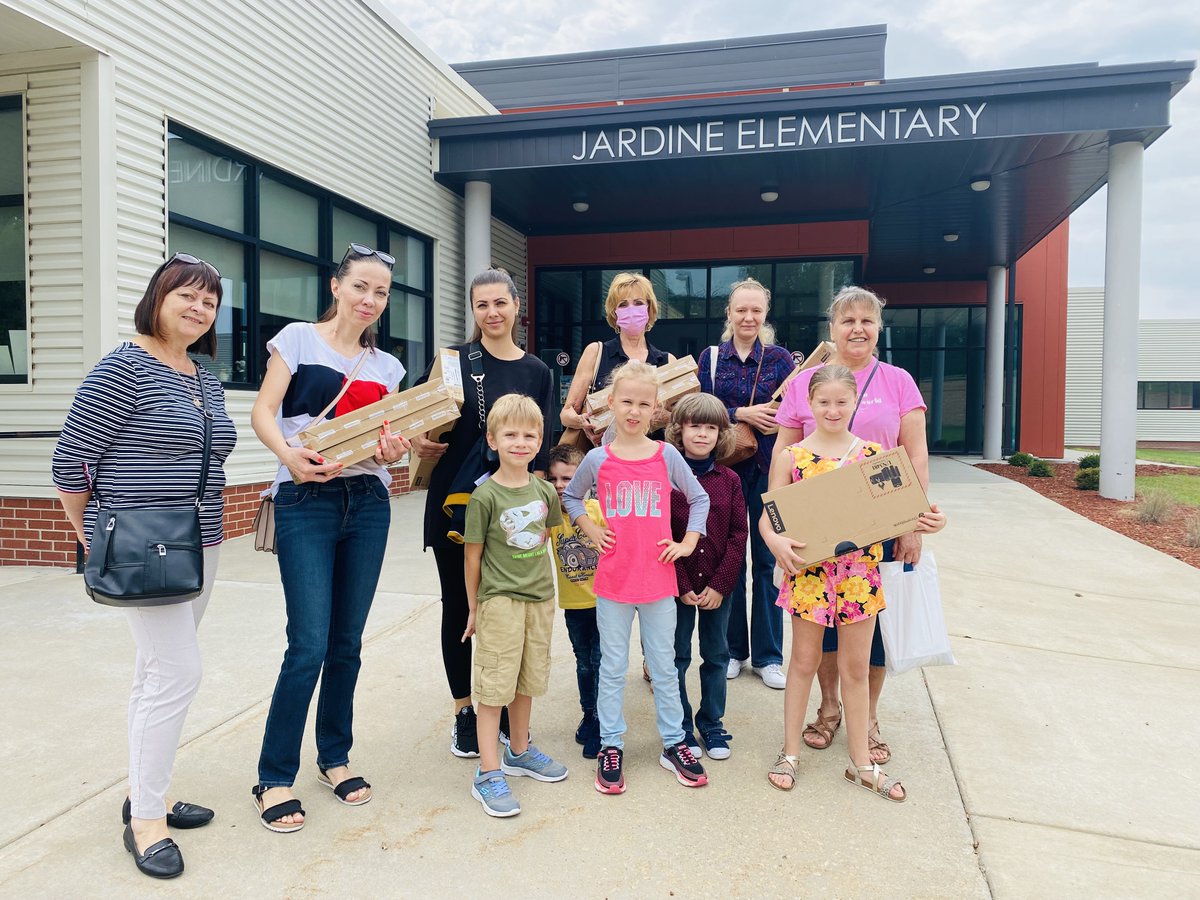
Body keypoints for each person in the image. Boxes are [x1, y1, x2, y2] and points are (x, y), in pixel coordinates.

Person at [52, 253, 236, 879]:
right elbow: (70, 463)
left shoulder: (202, 374)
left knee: (154, 673)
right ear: (156, 298)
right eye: (186, 294)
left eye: (209, 301)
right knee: (177, 672)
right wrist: (95, 541)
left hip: (201, 542)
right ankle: (146, 820)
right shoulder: (123, 368)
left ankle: (143, 789)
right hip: (142, 546)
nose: (198, 307)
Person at [250, 243, 410, 833]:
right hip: (305, 501)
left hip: (367, 501)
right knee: (308, 644)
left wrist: (395, 451)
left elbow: (391, 442)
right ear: (337, 286)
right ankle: (273, 776)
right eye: (361, 287)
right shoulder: (296, 340)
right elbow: (265, 410)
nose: (370, 300)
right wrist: (289, 455)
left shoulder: (387, 369)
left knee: (347, 644)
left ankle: (334, 757)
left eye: (382, 293)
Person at [761, 365, 945, 799]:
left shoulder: (872, 457)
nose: (832, 409)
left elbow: (909, 511)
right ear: (809, 404)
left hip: (859, 577)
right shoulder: (792, 457)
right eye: (823, 402)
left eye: (842, 401)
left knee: (856, 669)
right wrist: (775, 543)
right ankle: (790, 753)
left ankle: (861, 762)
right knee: (803, 663)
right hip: (808, 576)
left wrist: (933, 521)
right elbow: (770, 517)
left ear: (854, 403)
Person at [773, 285, 930, 764]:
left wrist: (913, 523)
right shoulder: (805, 382)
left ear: (879, 326)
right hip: (819, 531)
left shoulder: (898, 380)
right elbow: (785, 451)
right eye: (847, 320)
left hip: (877, 526)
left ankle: (871, 718)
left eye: (867, 320)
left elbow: (916, 452)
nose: (857, 328)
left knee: (869, 628)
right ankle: (827, 708)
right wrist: (781, 530)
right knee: (819, 627)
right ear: (832, 328)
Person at [410, 268, 555, 759]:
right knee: (460, 607)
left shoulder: (537, 371)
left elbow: (545, 443)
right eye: (481, 305)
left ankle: (512, 720)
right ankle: (464, 711)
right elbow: (415, 417)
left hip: (515, 509)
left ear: (517, 306)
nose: (491, 313)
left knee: (510, 611)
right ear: (473, 312)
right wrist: (417, 442)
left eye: (500, 303)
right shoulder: (453, 361)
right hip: (457, 502)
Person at [561, 360, 711, 795]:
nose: (633, 410)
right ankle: (611, 744)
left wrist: (687, 543)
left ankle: (674, 742)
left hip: (658, 581)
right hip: (613, 582)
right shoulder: (597, 458)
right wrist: (590, 529)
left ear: (656, 410)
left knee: (664, 667)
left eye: (644, 403)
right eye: (626, 401)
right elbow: (572, 496)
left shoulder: (666, 455)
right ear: (611, 403)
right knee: (612, 667)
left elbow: (698, 499)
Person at [461, 394, 570, 817]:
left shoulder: (545, 490)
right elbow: (473, 556)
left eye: (529, 434)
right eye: (510, 434)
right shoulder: (484, 497)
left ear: (540, 439)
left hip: (540, 600)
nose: (520, 442)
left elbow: (547, 538)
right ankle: (488, 771)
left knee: (527, 679)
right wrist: (474, 607)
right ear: (493, 440)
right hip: (500, 602)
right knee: (493, 688)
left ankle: (519, 751)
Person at [697, 278, 795, 689]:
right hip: (726, 473)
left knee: (770, 561)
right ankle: (735, 649)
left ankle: (770, 656)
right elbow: (698, 407)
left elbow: (794, 410)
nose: (748, 317)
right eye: (741, 310)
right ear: (729, 314)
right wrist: (742, 412)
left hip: (771, 472)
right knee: (731, 561)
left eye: (756, 310)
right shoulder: (711, 358)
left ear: (765, 315)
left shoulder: (780, 359)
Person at [665, 394, 747, 761]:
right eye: (694, 426)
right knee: (676, 656)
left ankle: (711, 722)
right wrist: (682, 585)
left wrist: (720, 584)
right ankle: (681, 726)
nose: (702, 434)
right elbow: (661, 532)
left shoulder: (729, 480)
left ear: (720, 434)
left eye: (710, 427)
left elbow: (738, 534)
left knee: (716, 655)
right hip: (676, 586)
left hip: (718, 584)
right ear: (678, 431)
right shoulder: (664, 478)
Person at [559, 272, 675, 444]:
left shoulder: (667, 361)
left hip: (651, 461)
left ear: (649, 309)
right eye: (623, 304)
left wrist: (665, 417)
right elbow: (566, 414)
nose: (631, 310)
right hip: (603, 458)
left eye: (638, 303)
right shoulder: (596, 352)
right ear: (614, 312)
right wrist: (583, 422)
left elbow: (681, 419)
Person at [545, 444, 604, 760]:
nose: (559, 485)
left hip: (604, 603)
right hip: (574, 606)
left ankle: (600, 722)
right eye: (553, 479)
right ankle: (589, 713)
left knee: (600, 662)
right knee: (583, 661)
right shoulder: (551, 516)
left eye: (567, 478)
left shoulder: (595, 509)